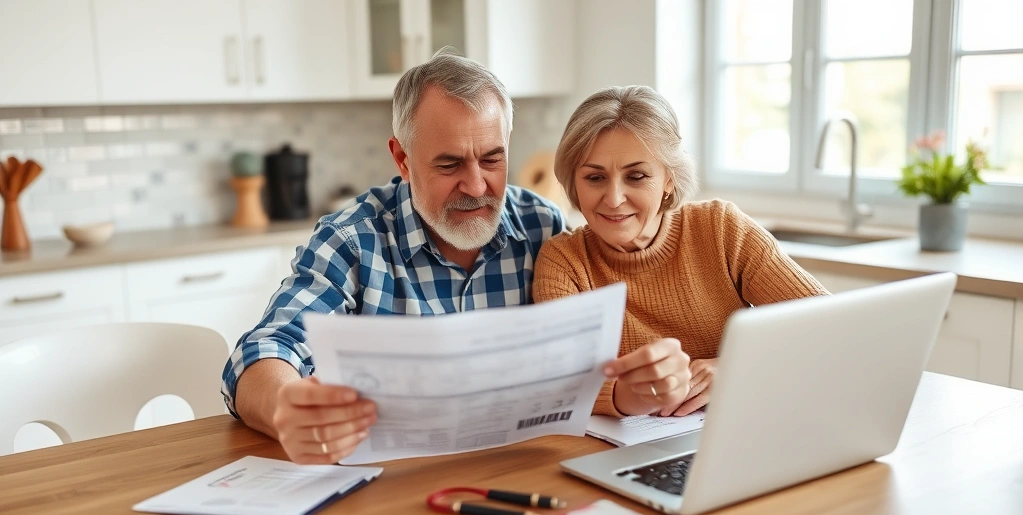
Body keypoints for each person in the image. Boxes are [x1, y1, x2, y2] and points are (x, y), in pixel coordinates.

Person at [223, 50, 565, 464]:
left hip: (518, 466)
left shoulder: (542, 228)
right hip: (394, 485)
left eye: (492, 159)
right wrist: (286, 407)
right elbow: (266, 349)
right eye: (449, 164)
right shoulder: (351, 241)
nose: (476, 186)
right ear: (402, 159)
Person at [532, 86, 828, 419]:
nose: (613, 198)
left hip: (744, 423)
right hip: (632, 448)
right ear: (574, 182)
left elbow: (827, 324)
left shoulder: (720, 228)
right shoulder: (564, 261)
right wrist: (632, 395)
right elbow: (560, 383)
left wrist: (734, 368)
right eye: (595, 177)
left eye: (637, 176)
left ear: (669, 180)